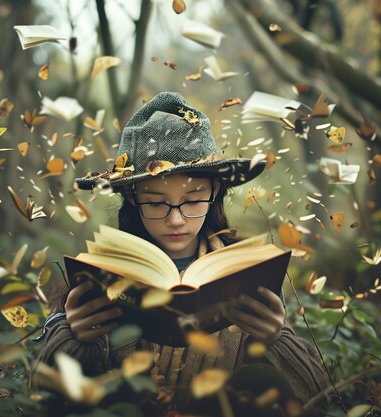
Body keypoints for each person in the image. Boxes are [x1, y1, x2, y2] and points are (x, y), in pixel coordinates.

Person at [35, 92, 327, 411]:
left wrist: (277, 339)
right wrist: (72, 335)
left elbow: (319, 397)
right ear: (132, 197)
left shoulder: (245, 270)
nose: (176, 220)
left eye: (192, 199)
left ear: (215, 191)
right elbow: (42, 391)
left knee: (258, 379)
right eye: (157, 202)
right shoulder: (101, 272)